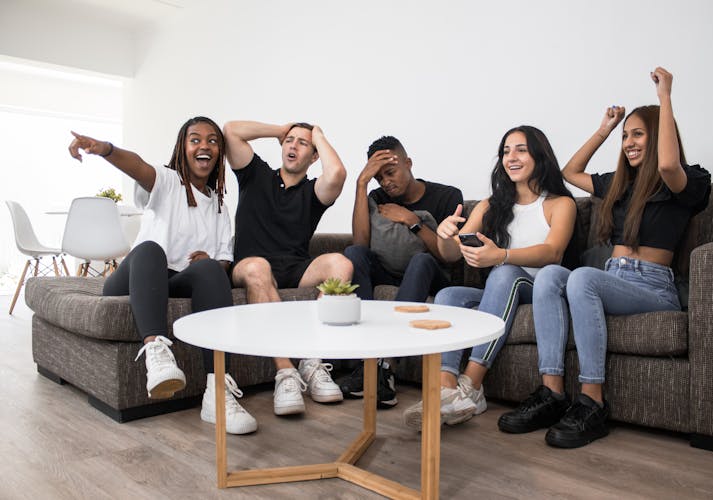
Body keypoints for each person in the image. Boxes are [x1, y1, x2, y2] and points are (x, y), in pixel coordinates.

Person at [498, 67, 711, 448]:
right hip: (613, 278)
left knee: (580, 276)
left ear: (661, 133)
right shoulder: (619, 184)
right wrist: (606, 128)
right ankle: (552, 393)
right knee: (549, 275)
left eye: (638, 134)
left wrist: (665, 99)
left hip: (652, 287)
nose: (629, 142)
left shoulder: (688, 181)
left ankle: (593, 402)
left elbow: (666, 165)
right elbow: (570, 172)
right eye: (627, 136)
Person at [67, 117, 257, 435]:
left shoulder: (221, 206)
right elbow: (139, 167)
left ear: (219, 153)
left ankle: (217, 392)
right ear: (183, 148)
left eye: (212, 141)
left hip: (175, 280)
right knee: (150, 249)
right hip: (137, 275)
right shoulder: (168, 181)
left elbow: (224, 261)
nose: (204, 146)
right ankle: (157, 354)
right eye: (195, 139)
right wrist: (105, 150)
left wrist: (211, 262)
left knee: (211, 269)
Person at [401, 126, 577, 429]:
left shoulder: (560, 204)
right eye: (506, 151)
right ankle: (446, 390)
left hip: (540, 287)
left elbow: (553, 251)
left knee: (504, 272)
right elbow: (452, 253)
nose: (512, 157)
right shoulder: (490, 205)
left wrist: (502, 256)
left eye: (521, 149)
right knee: (448, 297)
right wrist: (444, 235)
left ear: (540, 155)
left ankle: (472, 385)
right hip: (503, 287)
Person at [223, 119, 351, 416]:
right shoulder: (255, 174)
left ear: (314, 155)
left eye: (302, 143)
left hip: (294, 268)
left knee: (342, 263)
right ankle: (286, 374)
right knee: (258, 267)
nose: (293, 146)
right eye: (289, 141)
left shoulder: (314, 192)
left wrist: (318, 134)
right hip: (249, 266)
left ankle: (312, 360)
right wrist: (280, 130)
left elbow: (338, 173)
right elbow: (231, 130)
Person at [336, 136, 464, 408]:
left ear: (408, 163)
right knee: (353, 254)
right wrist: (361, 184)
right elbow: (360, 243)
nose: (386, 182)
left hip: (431, 275)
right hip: (388, 270)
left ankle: (386, 366)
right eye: (379, 178)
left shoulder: (448, 195)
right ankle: (365, 360)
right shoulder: (376, 197)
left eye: (391, 173)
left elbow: (448, 257)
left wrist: (412, 221)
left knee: (421, 260)